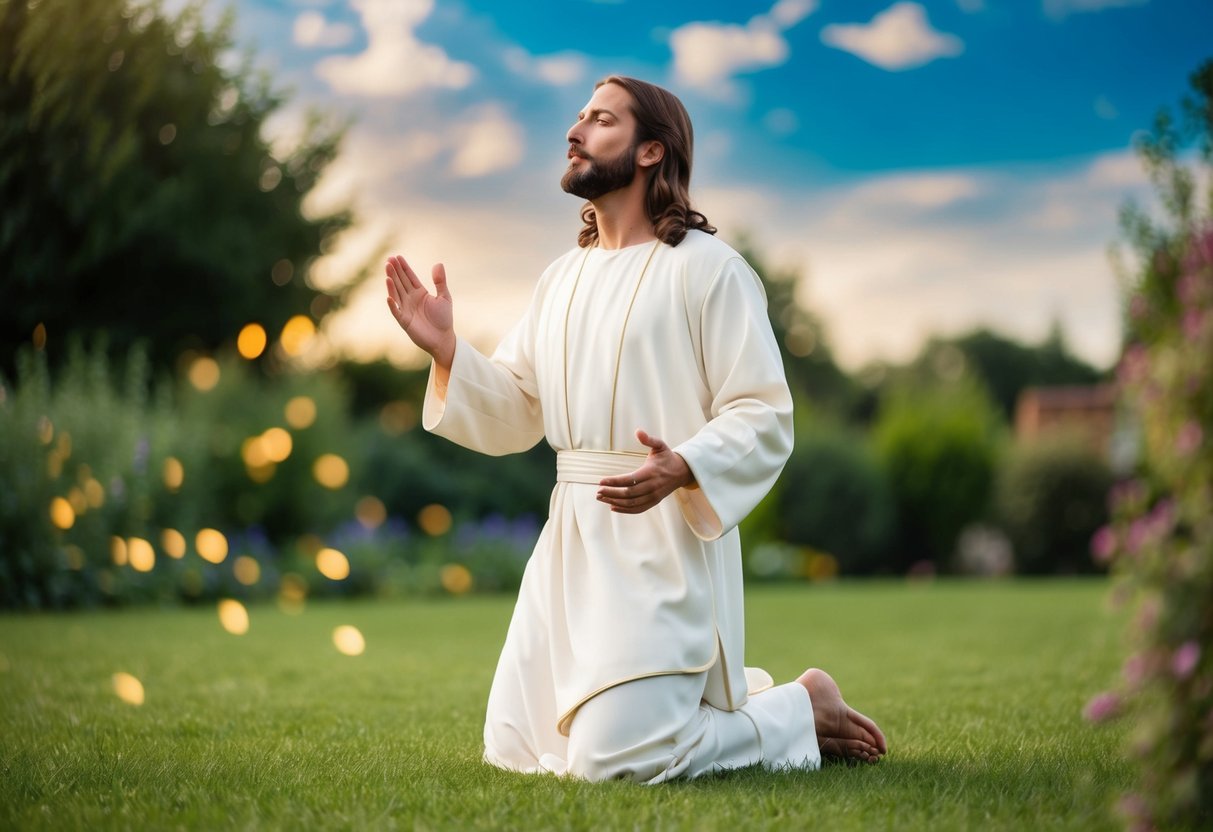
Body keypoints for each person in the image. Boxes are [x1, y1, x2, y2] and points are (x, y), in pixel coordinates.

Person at [384, 75, 887, 783]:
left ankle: (798, 709)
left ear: (651, 150)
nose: (575, 130)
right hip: (569, 543)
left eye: (600, 120)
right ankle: (760, 703)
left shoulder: (711, 270)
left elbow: (762, 411)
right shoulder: (560, 278)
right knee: (513, 748)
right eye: (577, 118)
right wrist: (447, 352)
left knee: (614, 761)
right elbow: (519, 407)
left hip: (659, 544)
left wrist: (683, 463)